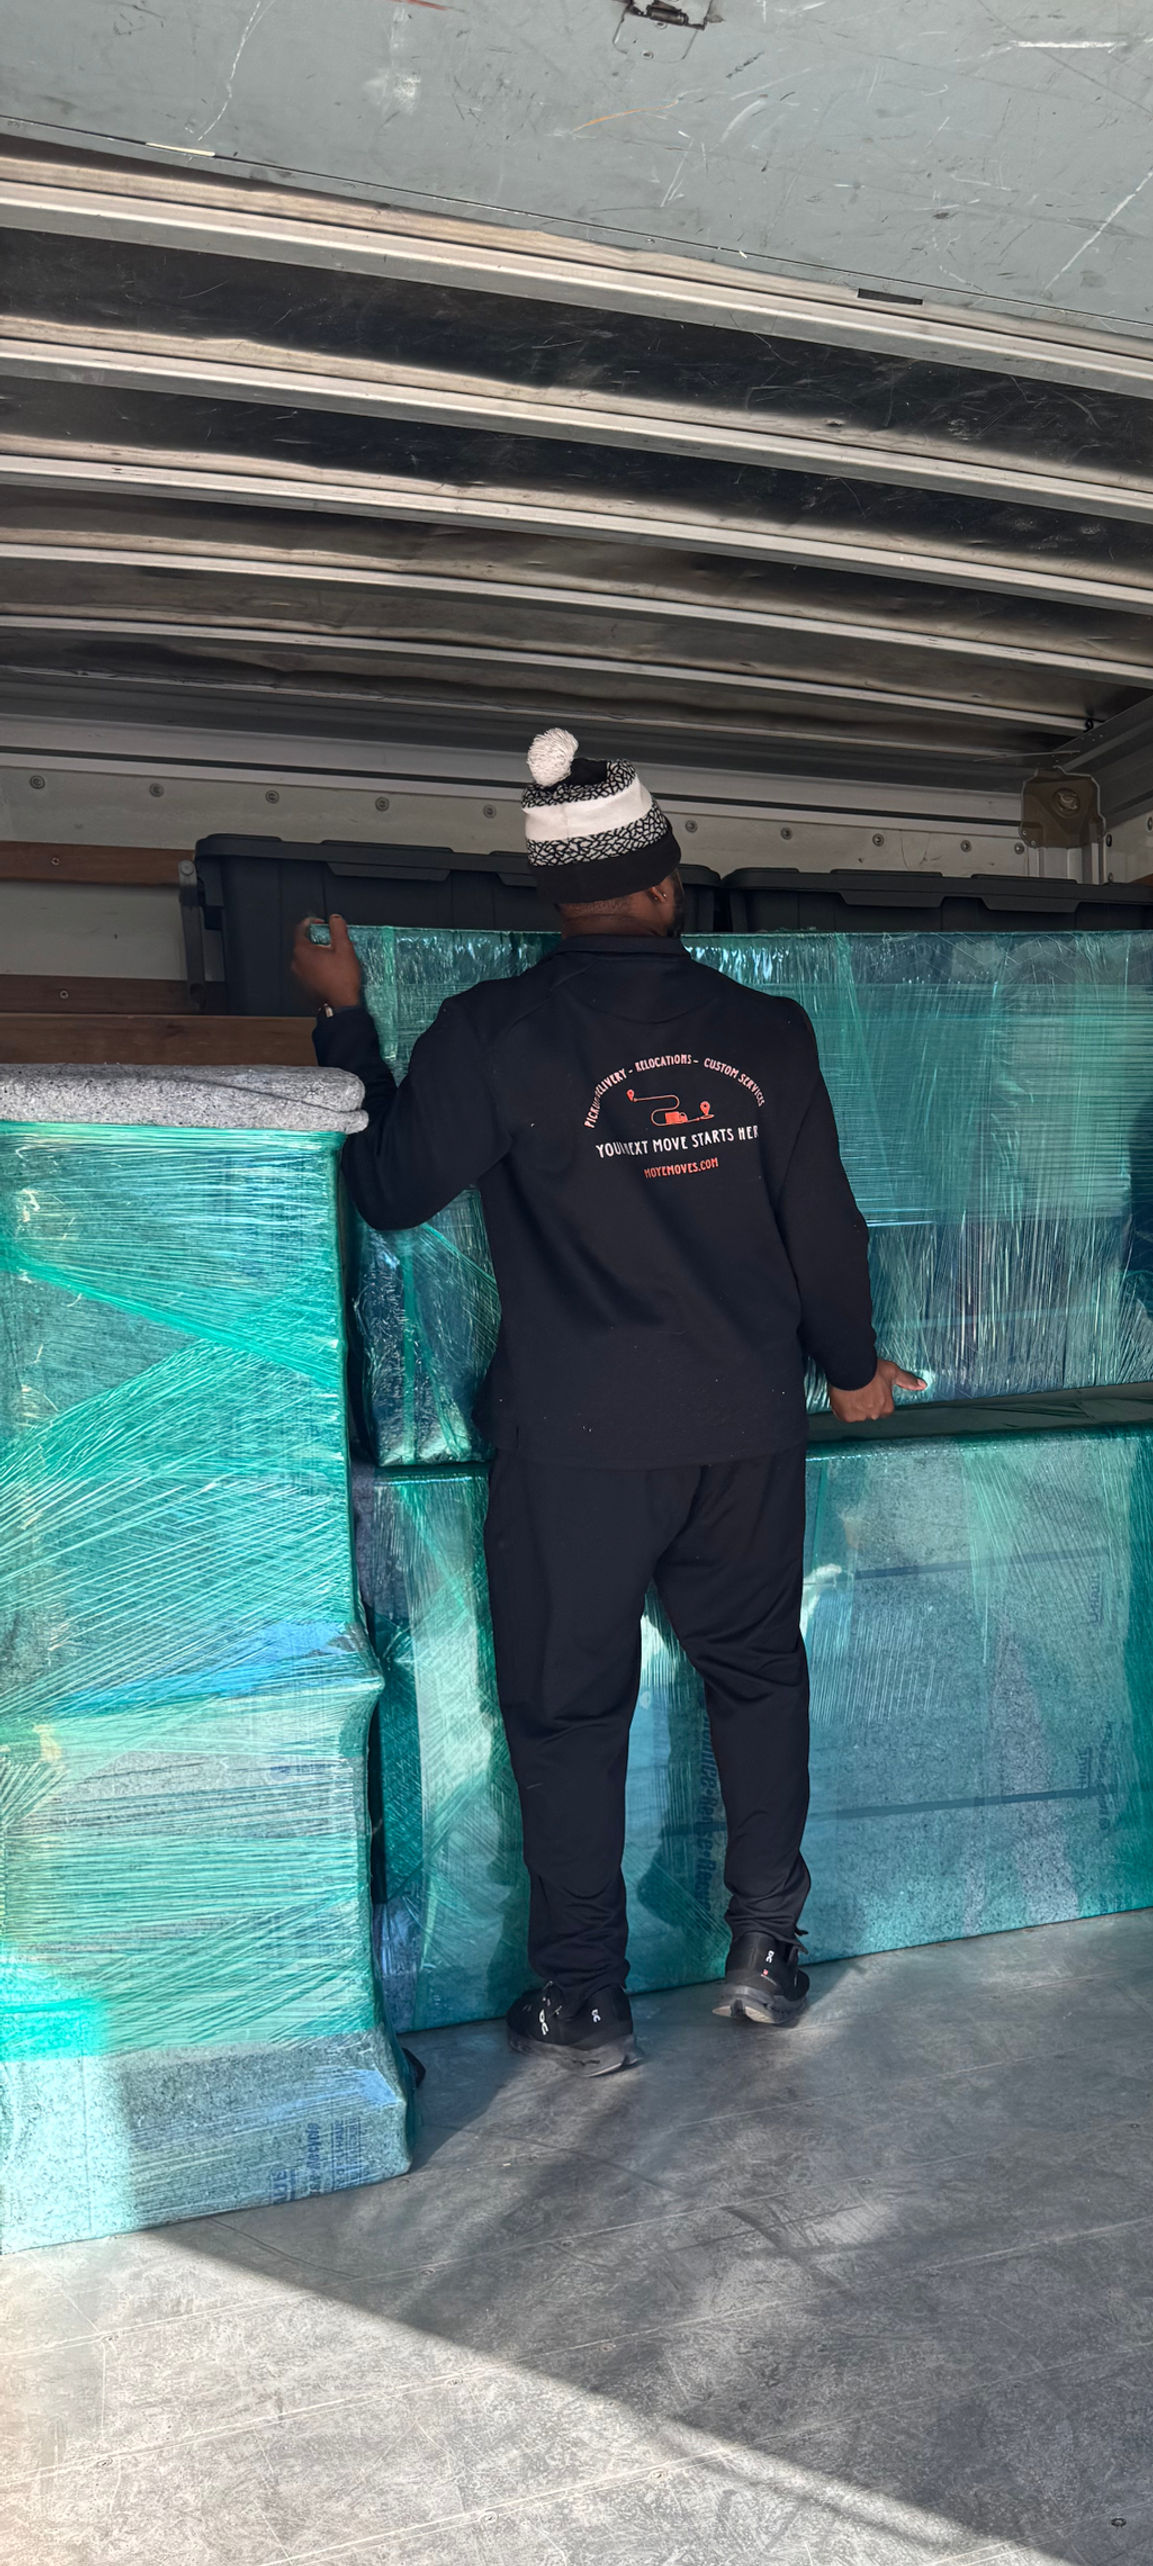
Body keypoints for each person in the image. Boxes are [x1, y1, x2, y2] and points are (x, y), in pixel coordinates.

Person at [292, 727, 923, 2073]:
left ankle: (582, 1994)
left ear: (553, 896)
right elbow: (825, 1228)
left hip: (577, 1440)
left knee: (569, 1707)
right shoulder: (767, 1034)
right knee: (757, 1674)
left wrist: (344, 1018)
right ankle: (767, 1949)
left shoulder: (493, 1034)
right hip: (744, 1429)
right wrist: (853, 1368)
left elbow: (389, 1188)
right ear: (666, 879)